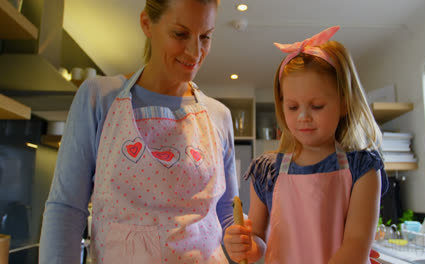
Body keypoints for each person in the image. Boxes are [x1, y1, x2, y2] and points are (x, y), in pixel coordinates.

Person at [39, 0, 239, 263]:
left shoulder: (219, 116)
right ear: (147, 23)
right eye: (180, 34)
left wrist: (250, 238)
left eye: (205, 37)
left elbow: (228, 213)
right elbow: (66, 210)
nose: (195, 51)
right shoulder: (99, 99)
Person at [224, 26, 388, 264]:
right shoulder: (266, 171)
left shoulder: (362, 169)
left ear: (344, 103)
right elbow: (260, 238)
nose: (303, 117)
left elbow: (356, 245)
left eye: (317, 106)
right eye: (292, 107)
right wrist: (245, 245)